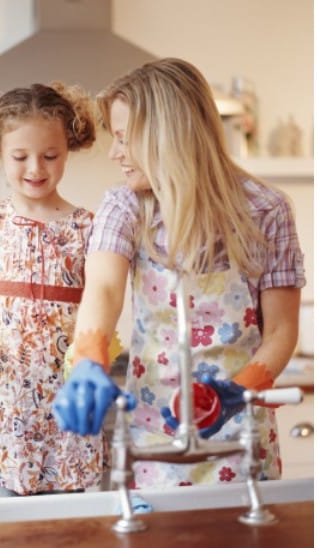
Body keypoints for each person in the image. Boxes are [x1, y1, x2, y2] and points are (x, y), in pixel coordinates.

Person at [53, 58, 305, 488]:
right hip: (154, 434)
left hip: (241, 428)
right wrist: (88, 360)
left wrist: (236, 392)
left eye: (123, 139)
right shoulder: (125, 207)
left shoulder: (266, 210)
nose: (115, 154)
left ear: (166, 137)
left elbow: (281, 331)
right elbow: (104, 290)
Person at [0, 82, 108, 496]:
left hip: (66, 394)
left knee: (68, 525)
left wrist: (101, 343)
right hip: (4, 396)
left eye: (50, 156)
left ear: (68, 148)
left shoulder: (88, 227)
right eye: (20, 156)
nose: (36, 168)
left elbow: (103, 299)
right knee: (6, 517)